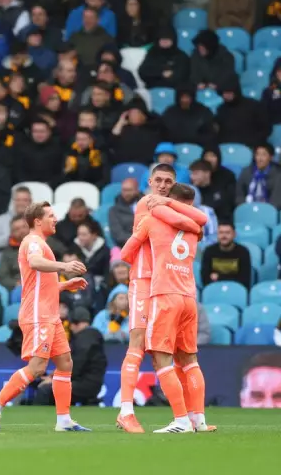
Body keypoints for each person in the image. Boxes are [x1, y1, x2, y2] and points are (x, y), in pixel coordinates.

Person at [115, 166, 208, 433]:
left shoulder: (168, 205)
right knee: (138, 344)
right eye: (159, 181)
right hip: (145, 280)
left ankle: (189, 417)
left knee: (171, 355)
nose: (163, 186)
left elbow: (193, 222)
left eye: (169, 182)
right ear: (150, 182)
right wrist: (195, 227)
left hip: (166, 284)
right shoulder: (148, 202)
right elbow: (195, 223)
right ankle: (126, 411)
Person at [0, 201, 90, 432]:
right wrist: (65, 267)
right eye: (51, 215)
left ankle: (63, 420)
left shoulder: (42, 243)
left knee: (64, 363)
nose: (56, 219)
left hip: (49, 315)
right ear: (38, 221)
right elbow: (34, 263)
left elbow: (38, 283)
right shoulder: (32, 242)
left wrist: (63, 285)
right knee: (38, 367)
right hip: (38, 314)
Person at [35, 307, 107, 406]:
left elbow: (76, 365)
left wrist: (55, 379)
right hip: (90, 382)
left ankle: (40, 420)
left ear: (76, 323)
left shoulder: (84, 339)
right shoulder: (90, 337)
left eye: (71, 324)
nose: (71, 328)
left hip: (85, 384)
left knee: (45, 390)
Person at [201, 223, 252, 289]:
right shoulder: (209, 251)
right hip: (214, 290)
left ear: (234, 234)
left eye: (227, 232)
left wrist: (219, 277)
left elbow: (244, 280)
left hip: (236, 291)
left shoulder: (243, 252)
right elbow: (205, 279)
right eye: (221, 232)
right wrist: (232, 277)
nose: (224, 236)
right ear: (217, 234)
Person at [236, 143, 281, 207]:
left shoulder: (278, 175)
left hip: (268, 210)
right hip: (248, 208)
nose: (260, 159)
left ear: (271, 157)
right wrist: (245, 206)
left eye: (264, 155)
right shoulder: (246, 171)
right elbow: (239, 195)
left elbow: (276, 200)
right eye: (257, 154)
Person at [0, 186, 32, 251]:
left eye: (25, 200)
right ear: (13, 201)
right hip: (7, 257)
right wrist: (12, 238)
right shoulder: (1, 219)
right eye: (18, 200)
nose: (21, 203)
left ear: (30, 201)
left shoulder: (38, 220)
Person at [109, 178, 142, 248]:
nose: (126, 193)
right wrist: (137, 240)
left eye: (129, 190)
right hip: (124, 247)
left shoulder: (147, 205)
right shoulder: (114, 210)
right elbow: (118, 235)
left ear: (137, 190)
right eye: (124, 190)